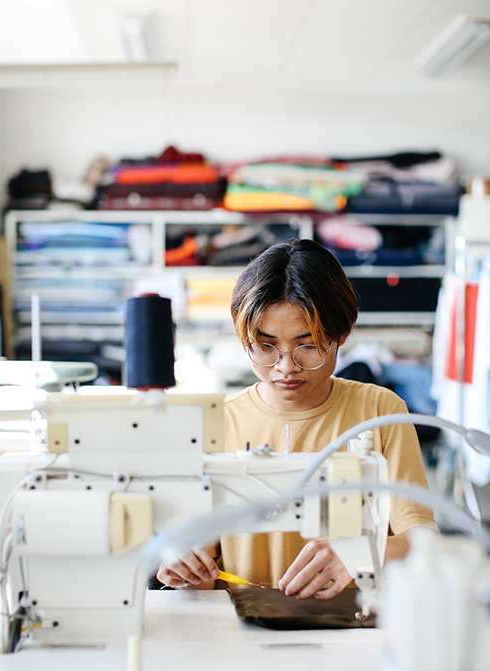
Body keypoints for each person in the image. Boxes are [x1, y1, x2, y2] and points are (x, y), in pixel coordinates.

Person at [157, 238, 438, 599]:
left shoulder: (380, 412)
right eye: (265, 346)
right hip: (241, 630)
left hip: (352, 628)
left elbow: (423, 541)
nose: (286, 367)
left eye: (307, 345)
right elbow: (206, 573)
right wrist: (185, 569)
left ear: (341, 334)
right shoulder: (217, 423)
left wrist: (360, 552)